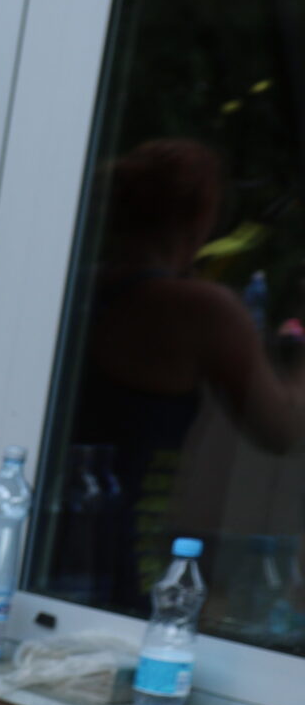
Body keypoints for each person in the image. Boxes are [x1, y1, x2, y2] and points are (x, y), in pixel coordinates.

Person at [63, 138, 305, 610]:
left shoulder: (81, 287)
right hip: (120, 554)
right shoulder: (199, 309)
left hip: (57, 543)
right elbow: (284, 429)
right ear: (202, 217)